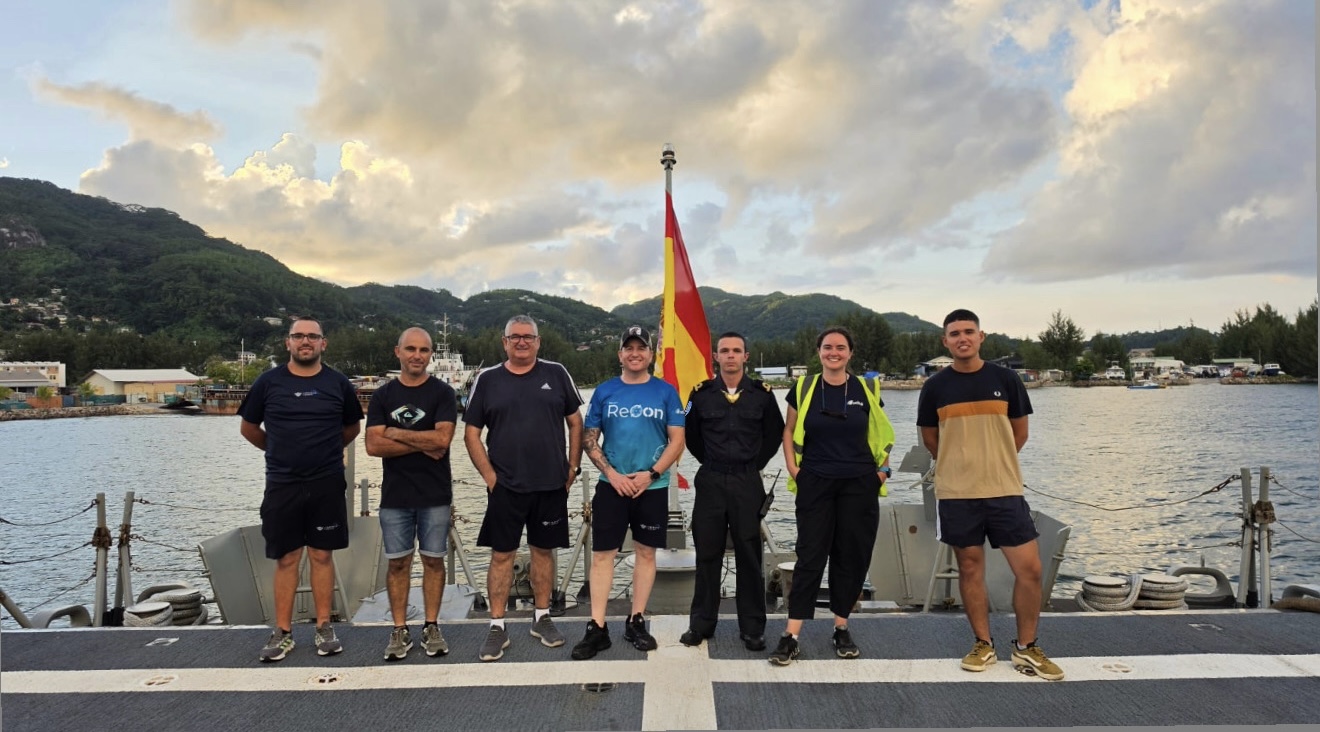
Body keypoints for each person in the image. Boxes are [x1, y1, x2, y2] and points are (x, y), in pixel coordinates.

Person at [916, 308, 1064, 681]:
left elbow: (1020, 434)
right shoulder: (934, 387)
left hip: (1004, 490)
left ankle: (1026, 647)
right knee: (969, 567)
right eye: (954, 333)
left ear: (981, 337)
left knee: (1029, 569)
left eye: (968, 331)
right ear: (945, 341)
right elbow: (930, 440)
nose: (962, 338)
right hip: (956, 493)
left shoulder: (1007, 379)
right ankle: (982, 643)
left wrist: (991, 462)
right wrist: (961, 464)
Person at [239, 317, 363, 663]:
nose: (305, 341)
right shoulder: (268, 382)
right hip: (283, 484)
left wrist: (323, 451)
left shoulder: (337, 383)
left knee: (322, 555)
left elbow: (351, 427)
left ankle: (324, 626)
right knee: (287, 558)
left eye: (312, 336)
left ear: (324, 343)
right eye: (299, 336)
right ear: (287, 343)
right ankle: (283, 632)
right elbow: (249, 427)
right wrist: (278, 451)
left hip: (326, 482)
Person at [769, 326, 895, 666]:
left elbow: (882, 431)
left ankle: (841, 627)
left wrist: (882, 471)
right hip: (816, 483)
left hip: (859, 484)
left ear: (850, 353)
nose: (833, 352)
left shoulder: (867, 388)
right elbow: (789, 430)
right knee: (810, 556)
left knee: (850, 556)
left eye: (840, 347)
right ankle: (791, 634)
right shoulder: (804, 386)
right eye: (827, 347)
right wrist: (794, 470)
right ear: (819, 351)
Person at [464, 314, 584, 662]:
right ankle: (497, 625)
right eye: (514, 337)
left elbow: (576, 422)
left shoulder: (556, 373)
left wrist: (572, 467)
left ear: (538, 341)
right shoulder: (488, 380)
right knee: (501, 555)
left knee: (543, 553)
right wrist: (489, 477)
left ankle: (542, 617)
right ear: (504, 342)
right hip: (506, 487)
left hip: (550, 485)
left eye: (527, 337)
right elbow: (471, 434)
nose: (521, 342)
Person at [571, 326, 686, 660]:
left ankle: (636, 620)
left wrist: (651, 475)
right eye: (629, 348)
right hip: (612, 486)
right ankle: (597, 627)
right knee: (603, 555)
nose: (635, 353)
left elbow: (677, 439)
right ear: (620, 354)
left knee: (646, 553)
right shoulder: (606, 392)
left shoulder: (666, 392)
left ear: (651, 354)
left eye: (642, 348)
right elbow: (589, 439)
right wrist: (612, 475)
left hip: (652, 486)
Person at [681, 331, 785, 650]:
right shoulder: (700, 394)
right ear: (716, 357)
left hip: (747, 481)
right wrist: (714, 463)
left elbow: (774, 435)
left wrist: (752, 464)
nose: (730, 356)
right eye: (724, 351)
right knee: (708, 554)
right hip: (711, 480)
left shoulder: (762, 395)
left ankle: (752, 628)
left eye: (736, 351)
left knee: (750, 556)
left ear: (745, 357)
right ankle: (702, 623)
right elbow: (692, 437)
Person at [364, 327, 458, 661]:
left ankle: (432, 625)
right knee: (398, 564)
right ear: (398, 352)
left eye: (424, 350)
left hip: (434, 496)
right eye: (411, 349)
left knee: (434, 562)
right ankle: (399, 629)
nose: (417, 355)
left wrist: (394, 432)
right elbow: (373, 445)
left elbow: (443, 441)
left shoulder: (443, 394)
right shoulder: (383, 395)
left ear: (430, 354)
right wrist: (422, 439)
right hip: (395, 497)